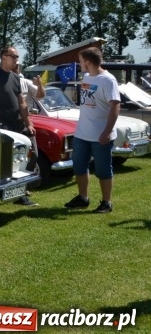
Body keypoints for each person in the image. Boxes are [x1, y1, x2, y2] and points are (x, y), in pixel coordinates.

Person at [64, 47, 121, 213]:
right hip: (82, 133)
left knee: (103, 169)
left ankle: (106, 202)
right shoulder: (87, 77)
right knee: (79, 166)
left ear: (88, 62)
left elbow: (115, 106)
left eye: (81, 61)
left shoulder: (108, 80)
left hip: (101, 135)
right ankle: (83, 198)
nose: (79, 64)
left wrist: (107, 131)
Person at [0, 46, 38, 206]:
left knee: (28, 158)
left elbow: (22, 102)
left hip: (18, 125)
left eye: (17, 57)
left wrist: (28, 122)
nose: (16, 60)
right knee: (3, 165)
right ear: (3, 57)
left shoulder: (15, 77)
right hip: (2, 127)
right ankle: (2, 195)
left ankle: (20, 194)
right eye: (13, 56)